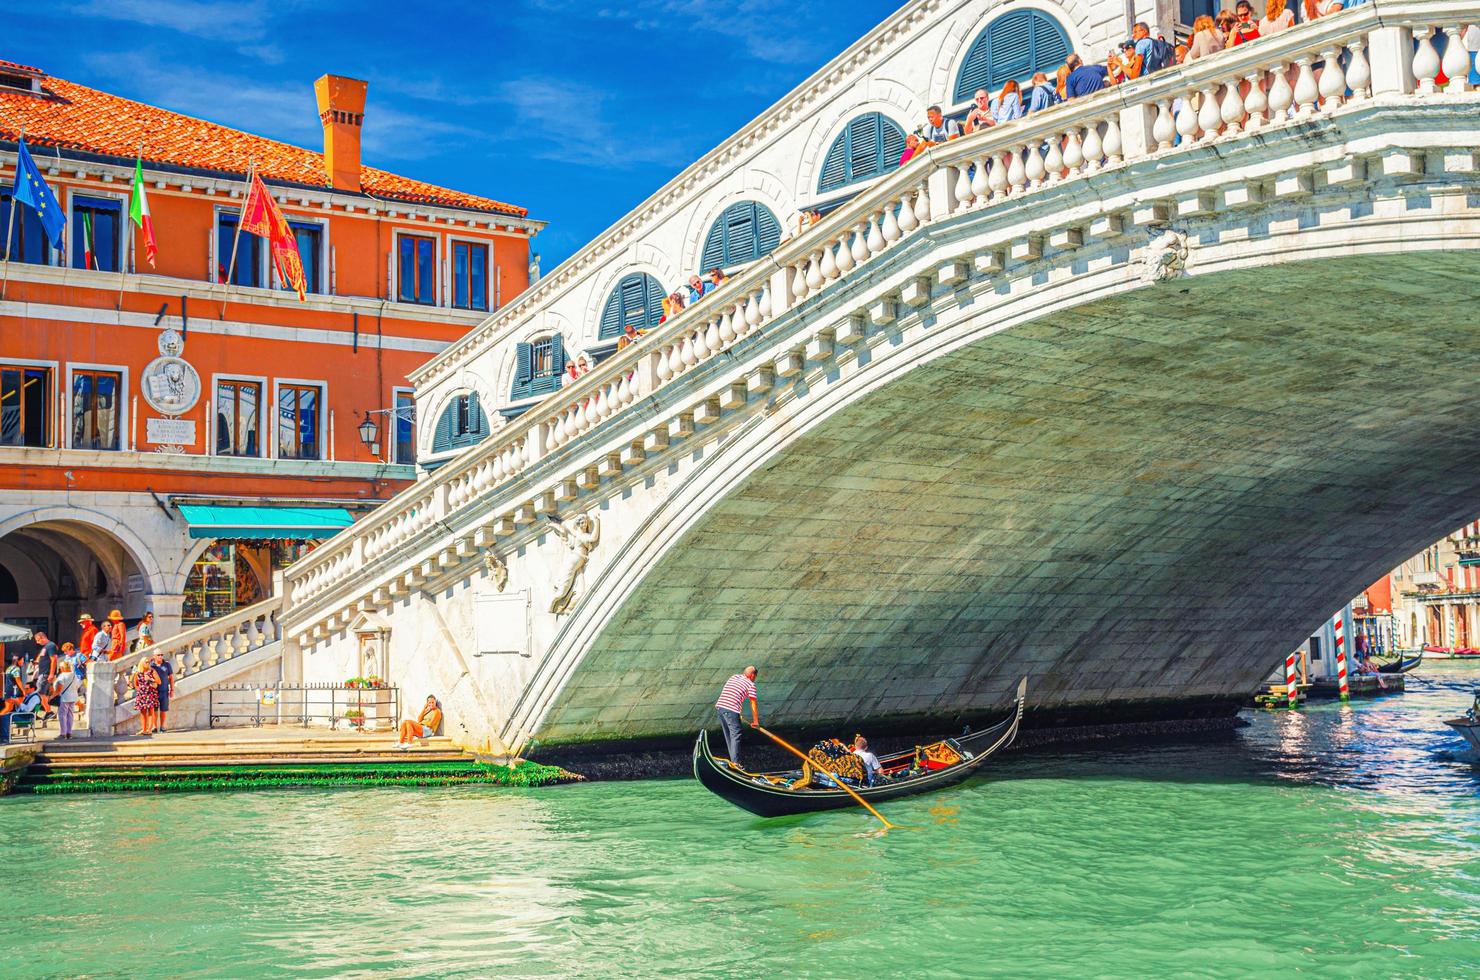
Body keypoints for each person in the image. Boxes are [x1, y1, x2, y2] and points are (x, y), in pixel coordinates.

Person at [714, 665, 760, 767]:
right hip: (731, 709)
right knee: (736, 734)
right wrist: (756, 721)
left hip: (720, 707)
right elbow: (753, 704)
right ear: (752, 675)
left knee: (729, 735)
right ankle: (735, 763)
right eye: (755, 676)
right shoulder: (750, 684)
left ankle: (733, 761)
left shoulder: (733, 677)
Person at [31, 631, 57, 718]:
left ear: (43, 637)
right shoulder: (46, 647)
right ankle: (44, 712)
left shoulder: (51, 645)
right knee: (42, 694)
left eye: (38, 640)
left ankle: (48, 711)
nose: (37, 642)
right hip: (43, 673)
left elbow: (53, 660)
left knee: (40, 693)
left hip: (46, 674)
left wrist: (51, 674)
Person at [130, 657, 158, 735]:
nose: (148, 663)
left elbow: (159, 681)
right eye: (146, 662)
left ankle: (149, 730)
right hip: (142, 694)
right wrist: (140, 690)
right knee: (142, 713)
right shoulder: (138, 673)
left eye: (149, 662)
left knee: (150, 711)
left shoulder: (152, 671)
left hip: (150, 693)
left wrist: (150, 679)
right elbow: (135, 684)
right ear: (142, 663)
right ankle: (144, 729)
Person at [54, 659, 80, 739]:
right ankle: (69, 733)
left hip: (64, 697)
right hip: (73, 697)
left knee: (62, 715)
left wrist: (52, 696)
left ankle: (63, 733)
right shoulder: (74, 675)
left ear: (62, 668)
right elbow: (77, 686)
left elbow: (59, 688)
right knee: (70, 715)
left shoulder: (62, 676)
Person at [150, 650, 174, 733]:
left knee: (163, 710)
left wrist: (172, 690)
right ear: (154, 656)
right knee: (154, 710)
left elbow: (171, 678)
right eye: (158, 655)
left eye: (161, 655)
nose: (160, 656)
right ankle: (154, 727)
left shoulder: (167, 665)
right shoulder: (151, 665)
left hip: (164, 691)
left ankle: (163, 726)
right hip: (153, 692)